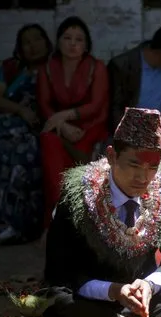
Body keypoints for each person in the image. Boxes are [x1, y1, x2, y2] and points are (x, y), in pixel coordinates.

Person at [42, 107, 161, 317]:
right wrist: (114, 291)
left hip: (143, 299)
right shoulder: (79, 197)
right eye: (134, 165)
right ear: (112, 156)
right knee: (57, 302)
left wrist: (149, 285)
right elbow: (60, 275)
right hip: (93, 298)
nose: (143, 178)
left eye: (152, 168)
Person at [0, 24, 53, 244]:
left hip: (33, 130)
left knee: (23, 157)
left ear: (47, 42)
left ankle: (18, 225)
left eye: (37, 39)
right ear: (19, 49)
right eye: (26, 42)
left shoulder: (54, 68)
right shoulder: (11, 69)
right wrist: (20, 110)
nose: (33, 46)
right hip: (3, 126)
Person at [37, 16, 109, 228]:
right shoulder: (48, 68)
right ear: (58, 42)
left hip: (89, 127)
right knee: (48, 142)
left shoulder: (97, 68)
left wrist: (65, 117)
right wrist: (62, 124)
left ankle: (81, 223)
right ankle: (58, 220)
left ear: (86, 45)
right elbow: (44, 105)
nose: (72, 44)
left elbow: (96, 105)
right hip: (59, 130)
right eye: (67, 38)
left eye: (78, 39)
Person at [108, 23, 161, 163]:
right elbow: (115, 105)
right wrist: (126, 130)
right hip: (129, 120)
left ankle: (159, 184)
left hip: (160, 122)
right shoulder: (123, 65)